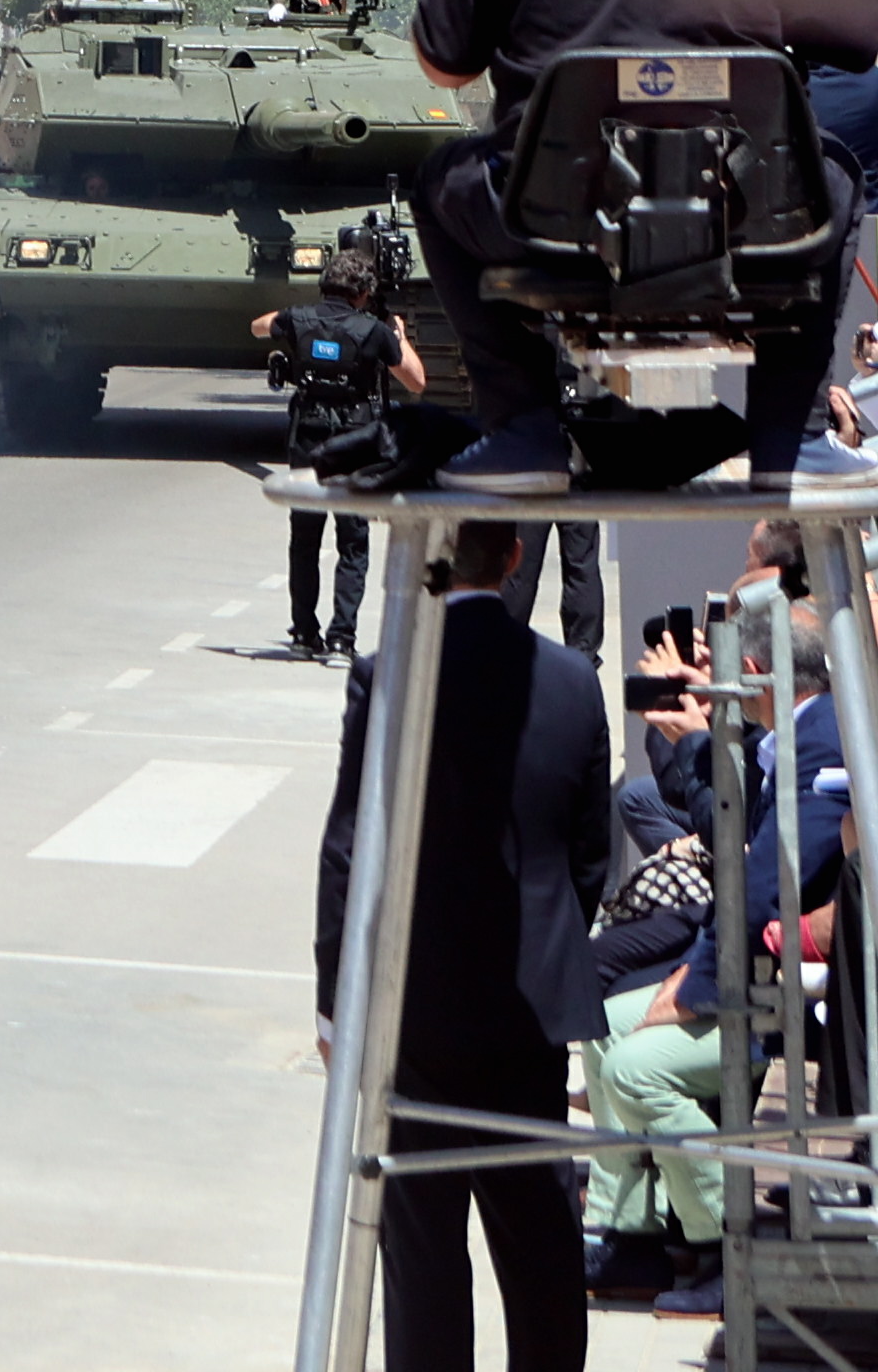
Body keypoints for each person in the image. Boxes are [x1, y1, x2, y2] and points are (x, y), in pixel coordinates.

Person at [409, 0, 866, 493]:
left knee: (437, 177)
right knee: (832, 173)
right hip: (739, 232)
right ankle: (789, 442)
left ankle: (522, 431)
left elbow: (446, 65)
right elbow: (860, 41)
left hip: (553, 237)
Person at [315, 518, 611, 1372]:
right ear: (516, 557)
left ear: (433, 561)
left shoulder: (390, 672)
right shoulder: (572, 681)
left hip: (416, 1001)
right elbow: (589, 851)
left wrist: (335, 999)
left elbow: (350, 848)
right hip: (529, 1004)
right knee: (540, 1239)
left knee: (423, 1250)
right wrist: (547, 940)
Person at [256, 229, 426, 658]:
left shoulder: (299, 318)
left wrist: (296, 319)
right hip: (355, 439)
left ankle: (303, 633)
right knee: (352, 540)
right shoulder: (373, 330)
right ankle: (341, 638)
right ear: (364, 292)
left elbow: (259, 326)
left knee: (304, 537)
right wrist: (399, 336)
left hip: (307, 435)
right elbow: (416, 381)